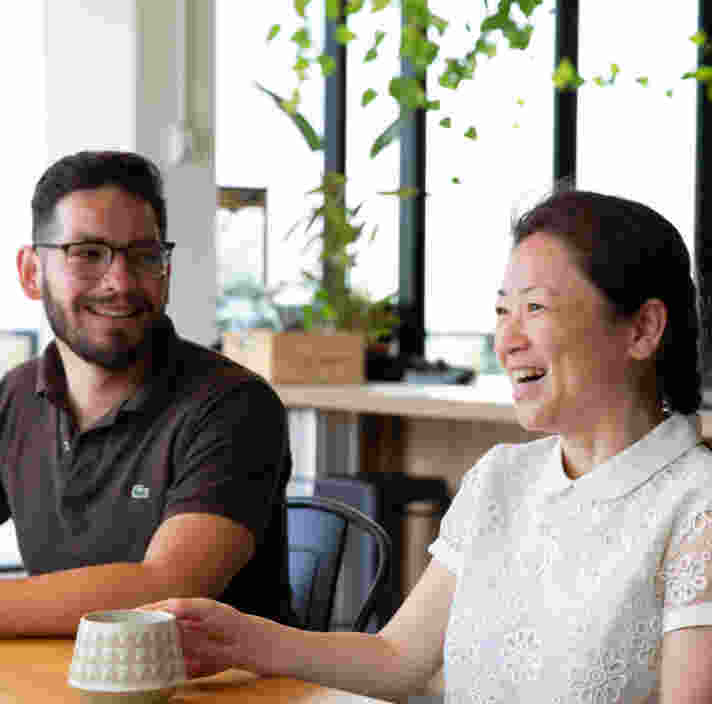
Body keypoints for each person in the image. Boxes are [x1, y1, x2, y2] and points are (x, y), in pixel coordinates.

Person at [143, 189, 712, 703]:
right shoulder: (501, 477)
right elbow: (398, 660)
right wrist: (239, 639)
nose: (507, 341)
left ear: (642, 329)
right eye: (501, 311)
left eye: (535, 308)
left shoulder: (698, 505)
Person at [0, 150, 295, 636]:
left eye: (144, 256)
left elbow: (168, 588)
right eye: (88, 254)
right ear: (32, 272)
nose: (119, 282)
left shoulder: (234, 406)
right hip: (63, 679)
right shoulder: (16, 396)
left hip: (222, 690)